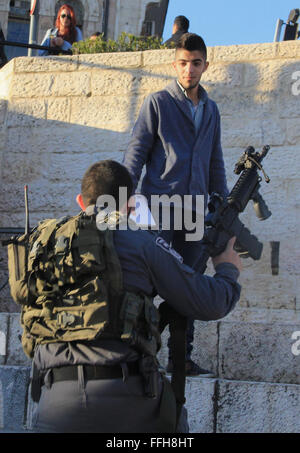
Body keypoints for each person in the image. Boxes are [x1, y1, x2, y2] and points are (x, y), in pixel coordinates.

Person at [19, 160, 242, 433]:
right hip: (126, 400)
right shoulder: (140, 241)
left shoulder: (47, 242)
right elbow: (210, 301)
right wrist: (227, 267)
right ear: (129, 203)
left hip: (51, 404)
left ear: (80, 201)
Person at [123, 33, 229, 377]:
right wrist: (124, 193)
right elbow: (137, 151)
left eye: (196, 63)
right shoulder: (158, 103)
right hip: (160, 207)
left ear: (205, 66)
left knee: (191, 284)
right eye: (183, 63)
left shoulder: (211, 110)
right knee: (149, 282)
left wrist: (222, 205)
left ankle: (180, 357)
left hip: (196, 212)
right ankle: (136, 353)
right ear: (175, 65)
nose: (189, 69)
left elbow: (215, 161)